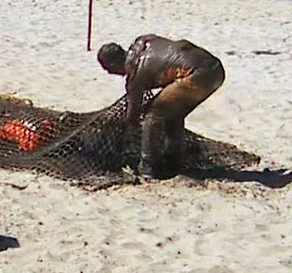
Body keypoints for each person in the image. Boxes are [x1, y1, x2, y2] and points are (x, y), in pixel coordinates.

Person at [96, 34, 227, 179]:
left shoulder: (135, 75)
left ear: (113, 64)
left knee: (153, 114)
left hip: (196, 76)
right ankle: (173, 160)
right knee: (174, 114)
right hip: (216, 70)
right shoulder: (144, 41)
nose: (111, 73)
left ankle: (149, 167)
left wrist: (127, 133)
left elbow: (133, 115)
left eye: (108, 69)